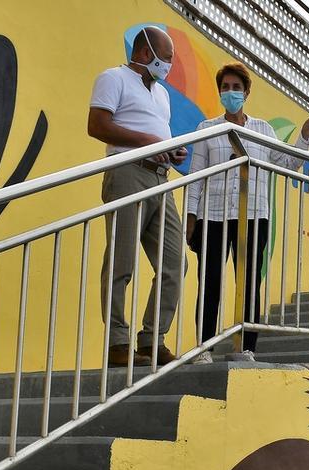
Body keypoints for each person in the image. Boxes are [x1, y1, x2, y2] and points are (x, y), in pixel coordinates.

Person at [185, 62, 309, 363]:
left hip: (253, 215)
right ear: (220, 91)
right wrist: (191, 217)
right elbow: (195, 177)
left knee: (249, 283)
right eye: (226, 87)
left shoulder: (263, 130)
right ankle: (204, 347)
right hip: (214, 215)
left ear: (246, 92)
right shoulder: (206, 130)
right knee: (209, 281)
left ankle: (246, 348)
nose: (231, 92)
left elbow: (285, 163)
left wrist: (304, 136)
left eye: (236, 88)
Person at [88, 26, 187, 367]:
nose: (168, 66)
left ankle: (151, 339)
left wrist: (172, 150)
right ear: (146, 54)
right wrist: (144, 142)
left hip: (161, 179)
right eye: (166, 58)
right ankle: (118, 342)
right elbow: (97, 126)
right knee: (122, 261)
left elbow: (160, 135)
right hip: (128, 173)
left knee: (176, 262)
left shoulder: (162, 94)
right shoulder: (113, 78)